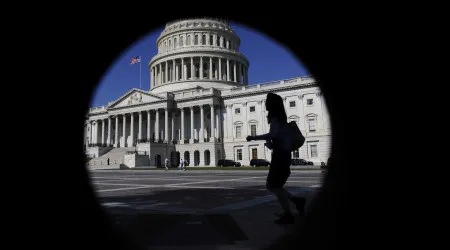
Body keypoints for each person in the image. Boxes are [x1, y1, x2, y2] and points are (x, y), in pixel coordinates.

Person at [247, 92, 306, 224]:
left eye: (267, 102)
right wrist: (272, 146)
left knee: (273, 186)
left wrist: (253, 137)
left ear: (272, 104)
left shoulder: (275, 118)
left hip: (280, 156)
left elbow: (272, 134)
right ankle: (294, 204)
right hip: (281, 154)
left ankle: (290, 211)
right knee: (275, 186)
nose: (265, 104)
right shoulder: (281, 119)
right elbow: (279, 139)